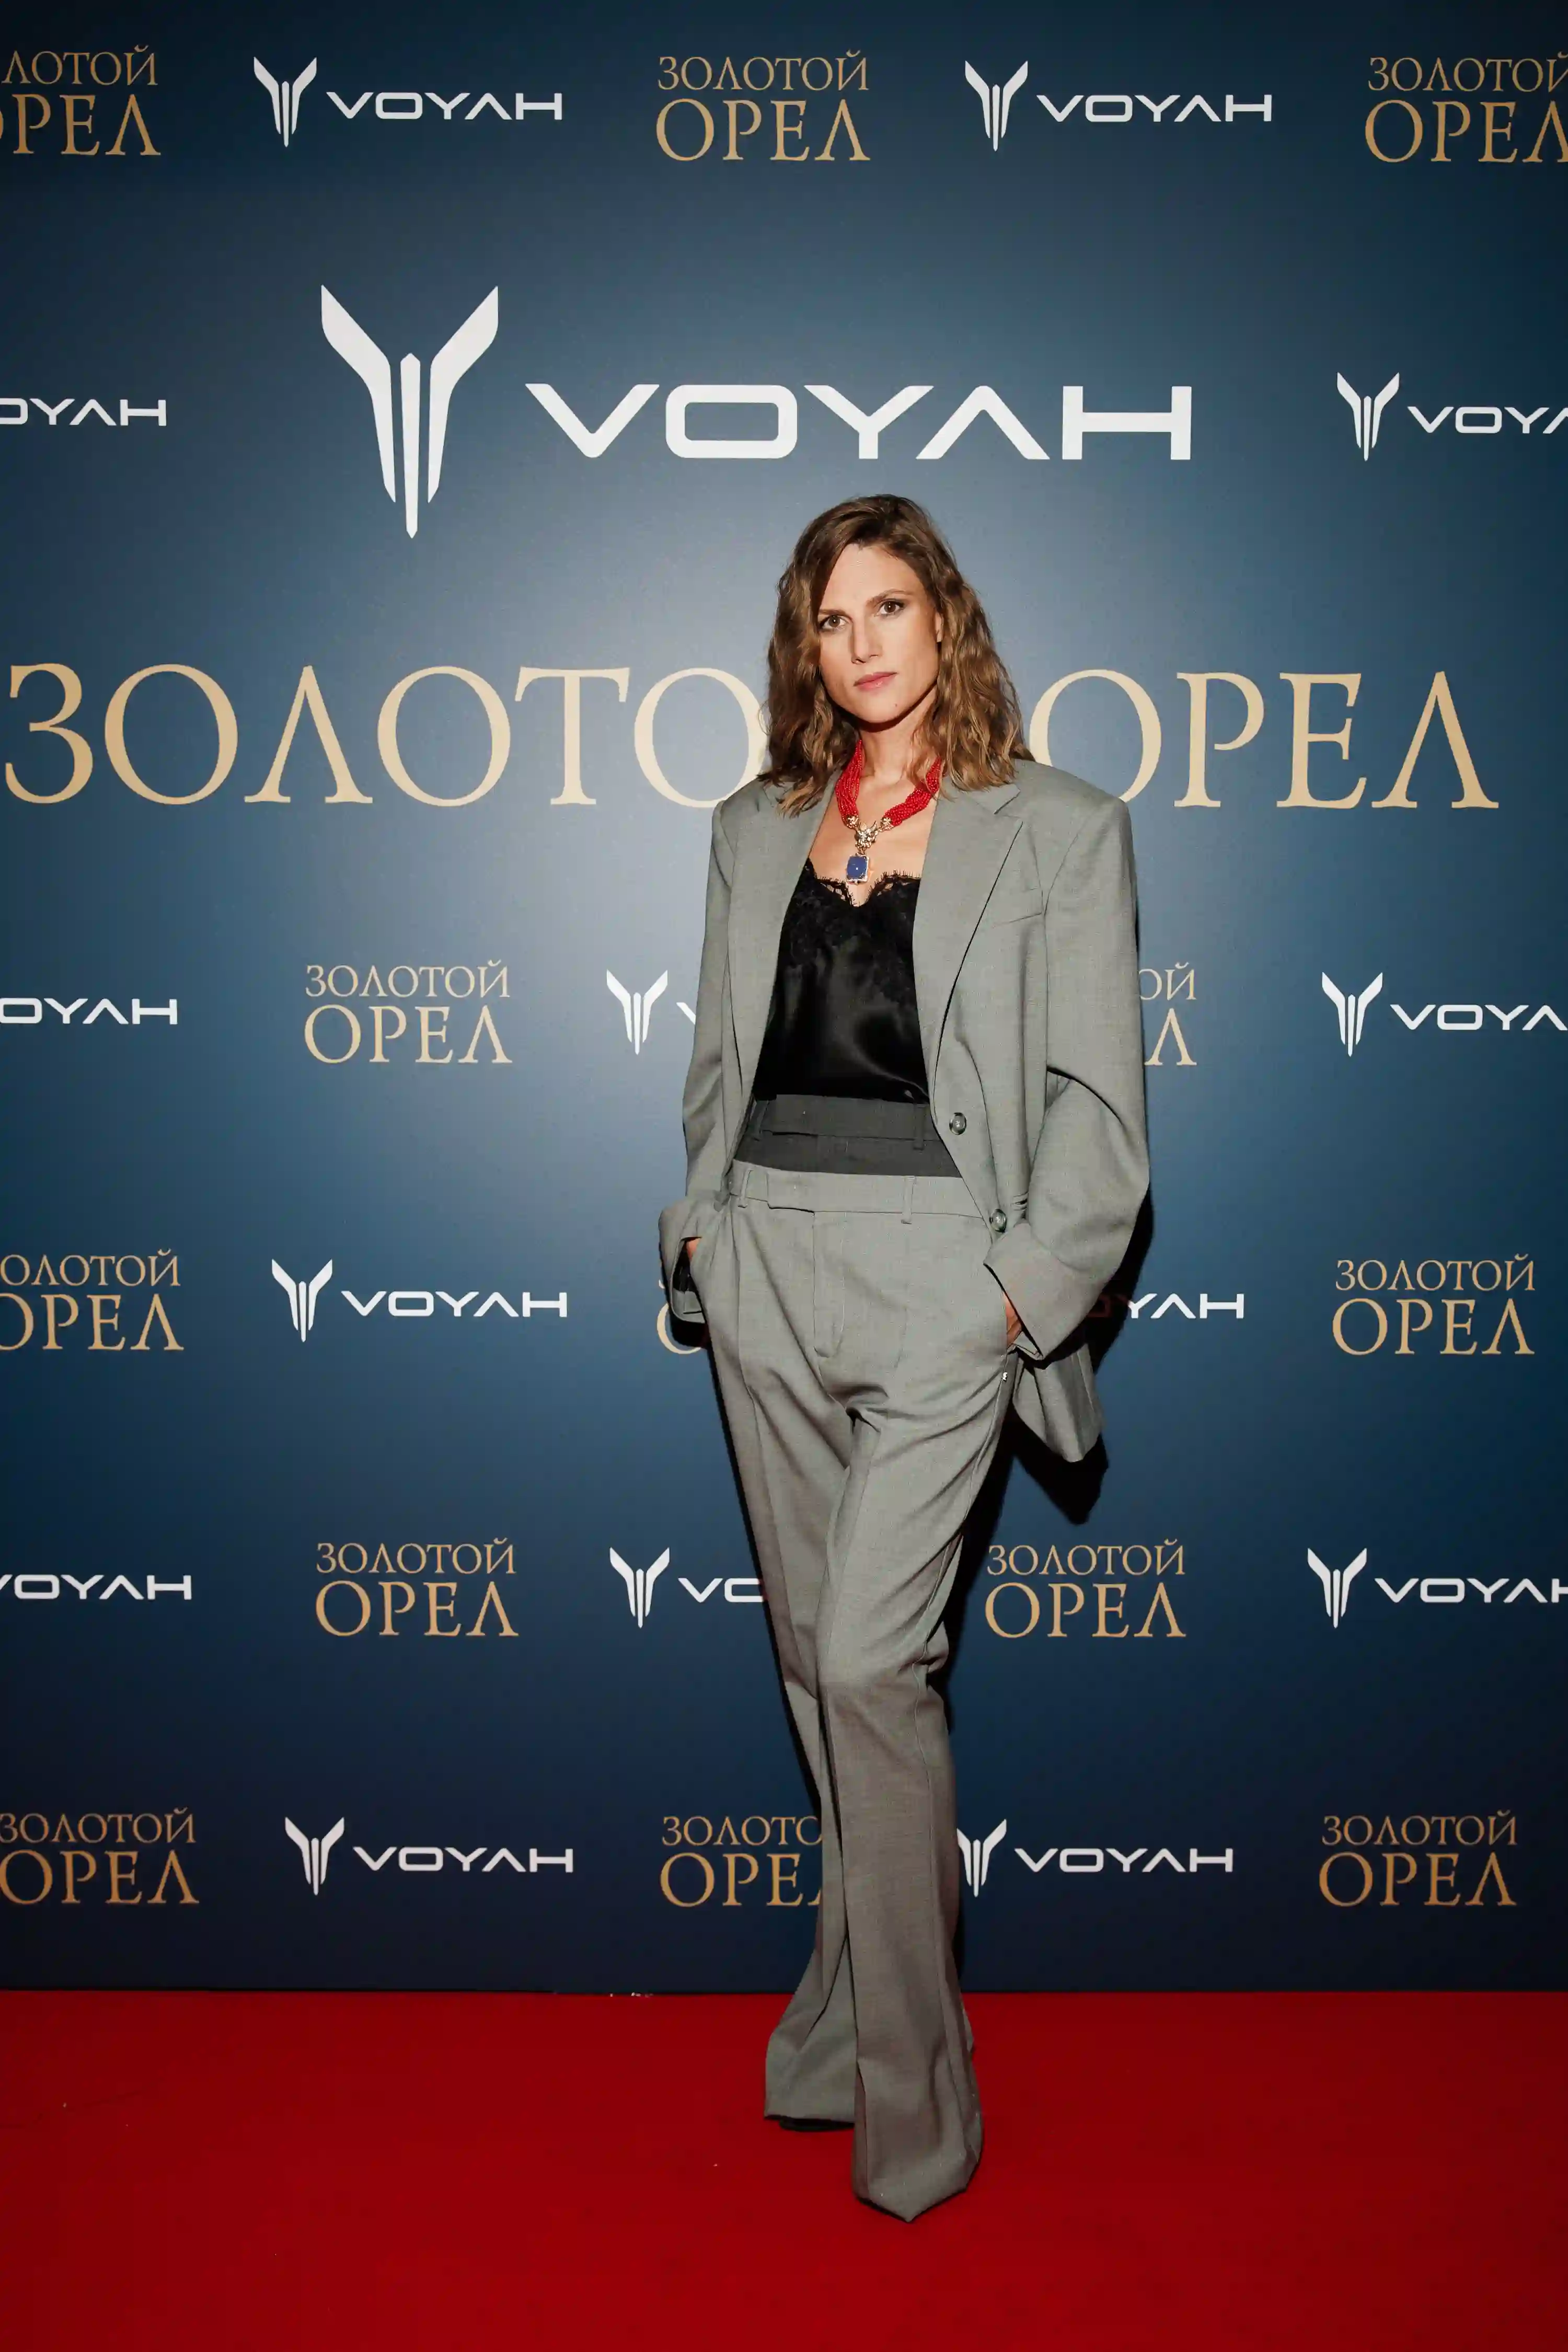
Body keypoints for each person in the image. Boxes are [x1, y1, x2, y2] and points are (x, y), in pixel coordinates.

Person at [659, 495, 1148, 2221]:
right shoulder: (752, 827)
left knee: (873, 1662)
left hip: (949, 1277)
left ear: (946, 619)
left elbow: (1099, 1113)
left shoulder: (1060, 827)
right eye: (830, 615)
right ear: (806, 646)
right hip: (769, 1270)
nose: (860, 641)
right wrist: (703, 1227)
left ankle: (919, 2102)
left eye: (889, 605)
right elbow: (720, 1060)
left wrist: (1013, 1296)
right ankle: (834, 2025)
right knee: (818, 1670)